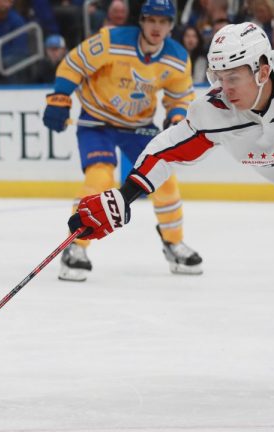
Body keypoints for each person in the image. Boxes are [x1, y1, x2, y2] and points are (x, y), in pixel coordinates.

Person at [68, 21, 274, 325]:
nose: (225, 89)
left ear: (263, 70)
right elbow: (167, 149)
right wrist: (123, 197)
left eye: (233, 77)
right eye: (218, 77)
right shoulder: (216, 111)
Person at [43, 0, 203, 282]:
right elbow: (73, 64)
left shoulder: (177, 57)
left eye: (163, 22)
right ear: (141, 20)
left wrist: (176, 117)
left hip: (138, 127)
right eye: (151, 20)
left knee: (164, 178)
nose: (157, 27)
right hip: (97, 122)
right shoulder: (111, 41)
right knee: (100, 179)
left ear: (171, 25)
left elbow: (180, 95)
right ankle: (75, 247)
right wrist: (60, 97)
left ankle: (173, 242)